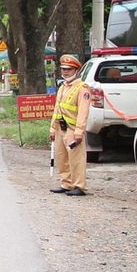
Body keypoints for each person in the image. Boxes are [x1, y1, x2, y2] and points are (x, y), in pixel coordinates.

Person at [51, 53, 88, 196]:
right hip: (61, 127)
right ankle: (66, 183)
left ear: (76, 71)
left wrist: (80, 131)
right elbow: (57, 109)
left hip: (73, 129)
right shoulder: (62, 87)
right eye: (64, 69)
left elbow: (83, 112)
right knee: (62, 157)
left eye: (69, 69)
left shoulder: (82, 88)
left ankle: (79, 185)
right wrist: (53, 128)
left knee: (76, 159)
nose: (66, 72)